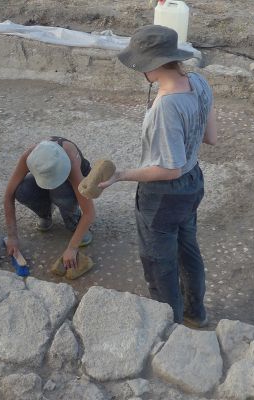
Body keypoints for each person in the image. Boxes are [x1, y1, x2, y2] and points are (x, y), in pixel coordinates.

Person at [99, 25, 217, 327]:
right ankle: (195, 313)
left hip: (164, 194)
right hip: (193, 182)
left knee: (159, 264)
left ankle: (169, 327)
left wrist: (120, 175)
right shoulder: (199, 82)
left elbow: (169, 169)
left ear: (152, 65)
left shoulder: (166, 105)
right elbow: (211, 137)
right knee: (188, 250)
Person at [3, 137, 95, 270]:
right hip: (48, 178)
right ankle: (45, 213)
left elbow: (89, 212)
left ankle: (74, 222)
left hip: (74, 184)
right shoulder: (30, 155)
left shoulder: (71, 160)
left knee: (61, 193)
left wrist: (72, 247)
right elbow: (8, 195)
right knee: (22, 190)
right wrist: (12, 236)